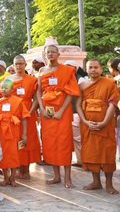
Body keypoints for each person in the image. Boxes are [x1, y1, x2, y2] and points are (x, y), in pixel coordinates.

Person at [36, 41, 80, 188]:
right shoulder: (41, 71)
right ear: (45, 55)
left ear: (58, 54)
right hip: (47, 111)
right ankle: (56, 176)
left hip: (62, 111)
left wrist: (61, 111)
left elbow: (71, 93)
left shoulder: (67, 71)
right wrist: (41, 108)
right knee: (50, 143)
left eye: (53, 52)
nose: (50, 54)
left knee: (64, 142)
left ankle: (67, 178)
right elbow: (39, 91)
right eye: (48, 52)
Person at [76, 59, 120, 195]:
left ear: (101, 69)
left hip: (105, 125)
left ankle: (109, 184)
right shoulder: (82, 85)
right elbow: (78, 105)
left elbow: (113, 104)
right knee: (91, 152)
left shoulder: (109, 83)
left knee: (107, 153)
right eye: (90, 67)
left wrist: (104, 122)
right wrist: (85, 121)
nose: (93, 70)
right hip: (88, 125)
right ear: (87, 69)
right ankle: (96, 182)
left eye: (96, 67)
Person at [8, 55, 41, 179]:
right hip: (13, 115)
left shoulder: (32, 80)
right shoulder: (9, 80)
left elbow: (36, 99)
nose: (18, 66)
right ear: (13, 65)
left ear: (25, 65)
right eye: (16, 64)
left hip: (28, 113)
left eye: (21, 64)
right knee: (15, 139)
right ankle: (16, 167)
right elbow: (5, 97)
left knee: (28, 140)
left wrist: (29, 112)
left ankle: (26, 169)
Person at [0, 79, 29, 186]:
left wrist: (25, 134)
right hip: (0, 132)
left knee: (13, 154)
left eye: (6, 88)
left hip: (14, 131)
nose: (3, 90)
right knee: (2, 153)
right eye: (2, 88)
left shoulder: (18, 101)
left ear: (12, 89)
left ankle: (13, 178)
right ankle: (5, 178)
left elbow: (24, 118)